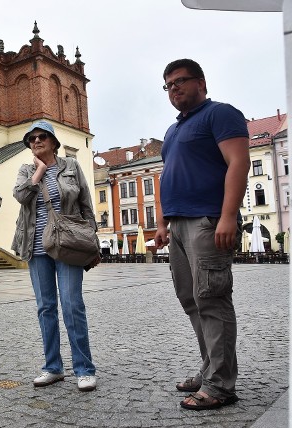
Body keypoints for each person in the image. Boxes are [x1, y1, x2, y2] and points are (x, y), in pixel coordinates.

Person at [154, 59, 250, 410]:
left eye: (180, 81)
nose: (174, 89)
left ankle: (220, 385)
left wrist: (228, 216)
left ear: (201, 82)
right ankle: (210, 368)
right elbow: (167, 178)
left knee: (212, 298)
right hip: (178, 225)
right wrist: (162, 224)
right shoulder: (172, 130)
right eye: (168, 85)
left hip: (208, 220)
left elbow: (238, 163)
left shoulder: (220, 114)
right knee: (191, 299)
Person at [12, 120, 100, 392]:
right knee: (45, 307)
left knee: (72, 305)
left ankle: (84, 369)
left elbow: (86, 204)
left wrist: (93, 244)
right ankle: (53, 367)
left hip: (69, 245)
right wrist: (38, 172)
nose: (36, 141)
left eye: (41, 137)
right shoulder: (26, 170)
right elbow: (20, 197)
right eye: (31, 139)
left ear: (53, 142)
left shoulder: (71, 167)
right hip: (36, 248)